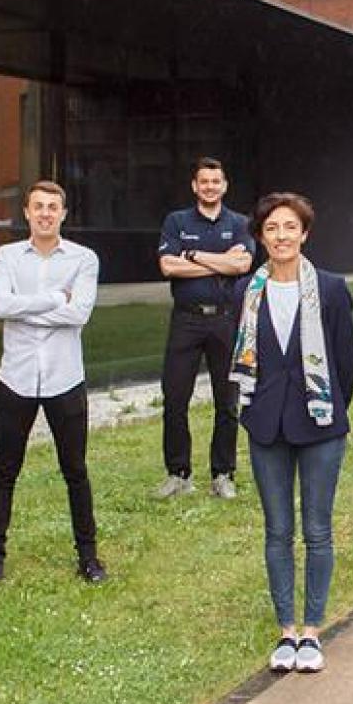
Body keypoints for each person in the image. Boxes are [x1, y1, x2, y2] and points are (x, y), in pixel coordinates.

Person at [229, 193, 353, 675]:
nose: (281, 236)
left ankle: (313, 631)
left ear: (304, 233)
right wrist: (254, 408)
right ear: (261, 236)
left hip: (320, 425)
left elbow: (347, 362)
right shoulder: (247, 290)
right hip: (266, 425)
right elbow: (243, 357)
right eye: (272, 228)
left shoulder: (330, 288)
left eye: (290, 227)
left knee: (317, 530)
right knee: (278, 530)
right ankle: (287, 630)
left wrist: (328, 405)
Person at [0, 180, 107, 588]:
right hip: (15, 377)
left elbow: (80, 314)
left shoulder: (84, 259)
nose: (46, 213)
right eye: (38, 207)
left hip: (65, 378)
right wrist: (54, 299)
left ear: (63, 214)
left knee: (75, 470)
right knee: (5, 470)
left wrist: (26, 308)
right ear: (27, 213)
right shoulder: (8, 256)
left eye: (53, 207)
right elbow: (0, 306)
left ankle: (88, 555)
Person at [154, 157, 255, 499]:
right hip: (186, 319)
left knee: (227, 401)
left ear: (224, 186)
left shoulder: (239, 223)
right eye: (204, 181)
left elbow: (242, 264)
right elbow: (168, 266)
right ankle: (178, 474)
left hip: (225, 320)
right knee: (175, 398)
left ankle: (222, 474)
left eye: (216, 181)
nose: (210, 186)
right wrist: (220, 263)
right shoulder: (176, 221)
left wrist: (194, 256)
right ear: (195, 186)